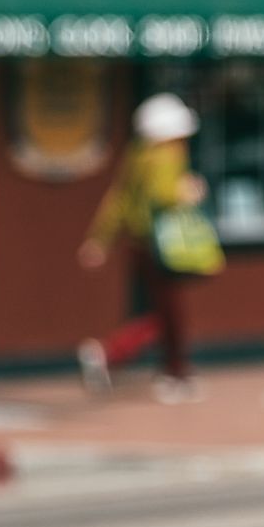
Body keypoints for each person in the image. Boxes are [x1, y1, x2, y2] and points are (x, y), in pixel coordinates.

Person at [77, 92, 211, 403]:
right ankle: (167, 371)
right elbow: (165, 194)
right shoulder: (168, 156)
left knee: (163, 310)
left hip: (140, 242)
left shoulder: (137, 156)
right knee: (170, 312)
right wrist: (188, 191)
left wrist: (100, 240)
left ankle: (115, 355)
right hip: (165, 244)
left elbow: (119, 201)